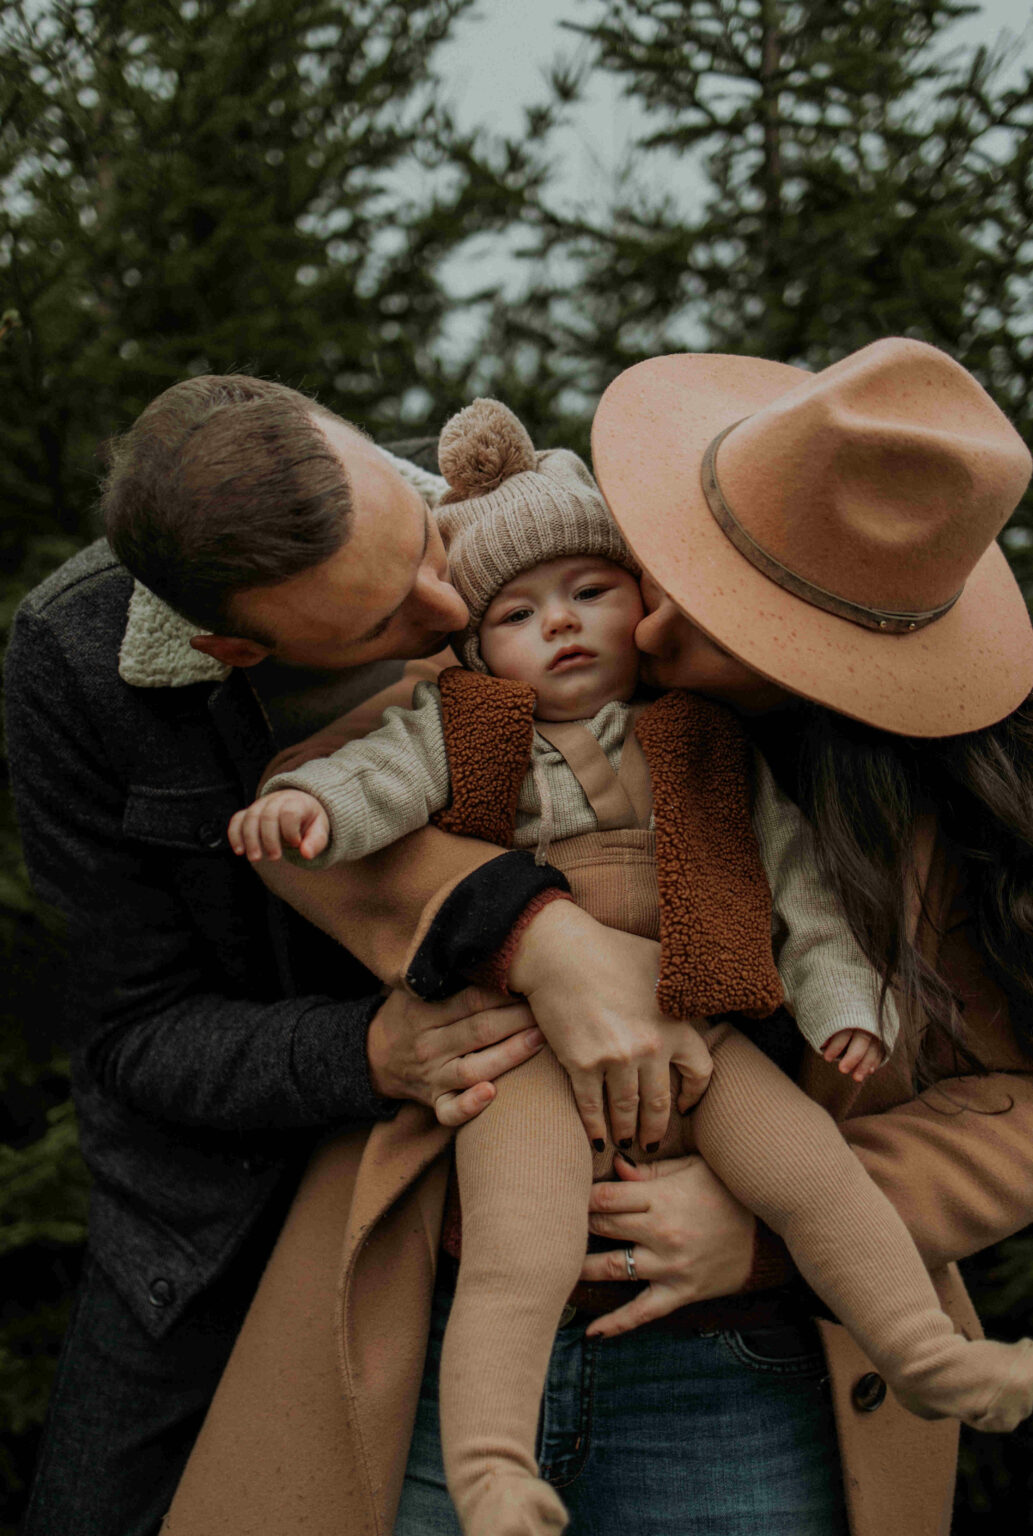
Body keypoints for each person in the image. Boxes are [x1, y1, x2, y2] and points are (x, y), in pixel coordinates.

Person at [162, 338, 1033, 1536]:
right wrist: (536, 929)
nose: (640, 614)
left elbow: (1003, 1097)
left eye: (726, 609)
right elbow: (341, 798)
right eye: (666, 557)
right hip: (455, 1275)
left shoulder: (925, 817)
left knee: (806, 1176)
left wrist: (759, 1232)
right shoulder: (488, 645)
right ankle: (491, 1461)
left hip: (745, 1355)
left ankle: (933, 1355)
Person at [5, 374, 677, 1536]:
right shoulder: (72, 663)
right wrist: (368, 1049)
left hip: (560, 1146)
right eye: (381, 624)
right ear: (231, 646)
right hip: (231, 1218)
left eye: (421, 542)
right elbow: (132, 1038)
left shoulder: (523, 522)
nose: (446, 599)